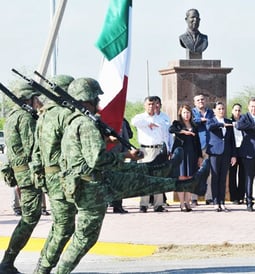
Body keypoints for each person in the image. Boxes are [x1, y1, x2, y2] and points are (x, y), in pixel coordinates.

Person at [55, 78, 209, 273]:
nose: (99, 103)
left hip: (90, 181)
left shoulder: (74, 122)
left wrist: (105, 139)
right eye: (96, 98)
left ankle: (171, 175)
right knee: (85, 237)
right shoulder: (84, 124)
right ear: (88, 99)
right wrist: (125, 156)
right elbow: (97, 159)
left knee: (141, 179)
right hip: (92, 185)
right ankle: (181, 181)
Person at [31, 74, 78, 274]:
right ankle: (43, 269)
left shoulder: (45, 114)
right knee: (64, 227)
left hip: (50, 176)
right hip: (60, 176)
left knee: (60, 225)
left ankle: (43, 265)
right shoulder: (63, 114)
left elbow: (36, 150)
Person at [0, 81, 43, 274]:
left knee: (30, 216)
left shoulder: (12, 117)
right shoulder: (25, 118)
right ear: (29, 98)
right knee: (30, 217)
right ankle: (8, 261)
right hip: (28, 175)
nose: (38, 101)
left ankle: (8, 261)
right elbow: (33, 147)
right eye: (36, 98)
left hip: (21, 173)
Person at [131, 96, 169, 213]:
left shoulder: (161, 118)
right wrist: (148, 123)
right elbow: (134, 122)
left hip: (158, 149)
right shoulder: (141, 117)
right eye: (149, 104)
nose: (151, 106)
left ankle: (158, 204)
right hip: (145, 150)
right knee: (145, 178)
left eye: (153, 104)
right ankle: (144, 204)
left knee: (158, 177)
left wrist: (167, 148)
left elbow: (166, 134)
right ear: (145, 105)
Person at [169, 104, 203, 212]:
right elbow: (171, 129)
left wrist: (200, 156)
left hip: (192, 154)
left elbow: (197, 143)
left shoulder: (194, 125)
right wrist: (184, 131)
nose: (186, 115)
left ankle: (188, 202)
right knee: (181, 177)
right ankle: (182, 203)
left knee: (189, 178)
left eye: (188, 112)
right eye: (184, 112)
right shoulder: (177, 124)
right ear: (181, 113)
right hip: (180, 154)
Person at [206, 102, 237, 212]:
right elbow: (209, 127)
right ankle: (215, 202)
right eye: (219, 109)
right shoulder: (211, 120)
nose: (221, 111)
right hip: (214, 153)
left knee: (223, 178)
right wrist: (222, 125)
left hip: (226, 153)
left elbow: (232, 140)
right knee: (215, 177)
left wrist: (233, 155)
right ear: (214, 110)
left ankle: (222, 202)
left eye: (223, 109)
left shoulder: (228, 121)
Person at [191, 94, 214, 205]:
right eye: (198, 100)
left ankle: (208, 197)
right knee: (195, 172)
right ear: (194, 102)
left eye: (202, 100)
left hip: (209, 146)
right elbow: (191, 122)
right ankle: (194, 198)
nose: (201, 101)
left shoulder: (211, 112)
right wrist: (201, 120)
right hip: (196, 146)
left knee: (209, 173)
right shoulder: (191, 112)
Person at [109, 118, 133, 214]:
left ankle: (118, 206)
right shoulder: (100, 120)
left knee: (118, 182)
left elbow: (125, 139)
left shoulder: (121, 122)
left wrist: (126, 153)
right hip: (104, 156)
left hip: (119, 156)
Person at [228, 103, 245, 204]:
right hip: (232, 151)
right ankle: (234, 197)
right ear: (232, 111)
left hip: (243, 150)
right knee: (232, 175)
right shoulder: (229, 122)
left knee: (243, 175)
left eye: (239, 110)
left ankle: (241, 196)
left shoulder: (244, 122)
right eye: (235, 110)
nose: (237, 112)